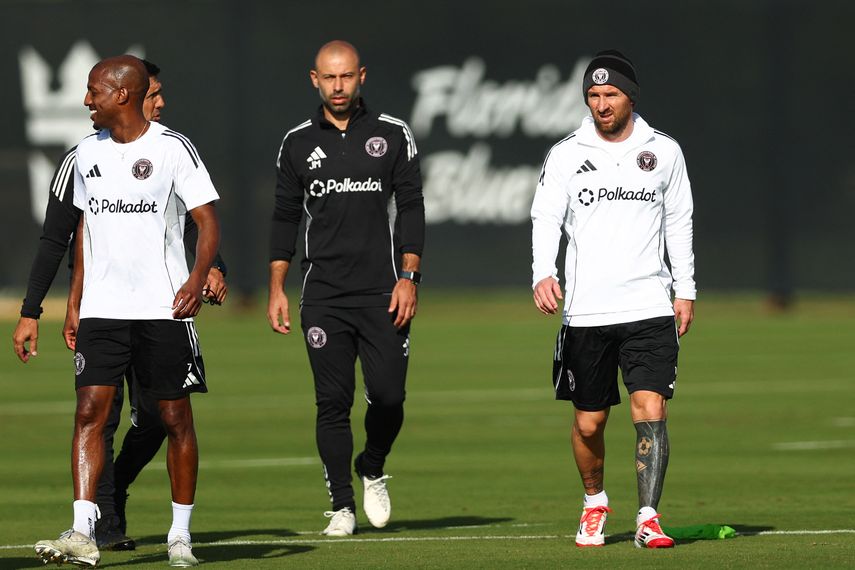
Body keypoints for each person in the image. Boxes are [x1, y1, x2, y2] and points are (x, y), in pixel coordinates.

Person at [12, 60, 228, 552]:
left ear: (122, 95)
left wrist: (198, 277)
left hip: (163, 309)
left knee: (172, 419)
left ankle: (180, 534)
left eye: (94, 92)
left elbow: (207, 221)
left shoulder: (173, 149)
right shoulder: (82, 156)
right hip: (103, 311)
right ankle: (85, 531)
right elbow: (68, 236)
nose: (87, 101)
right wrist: (42, 308)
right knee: (90, 411)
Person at [530, 50, 696, 549]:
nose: (602, 104)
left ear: (631, 96)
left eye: (611, 94)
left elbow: (679, 221)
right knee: (589, 421)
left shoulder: (663, 150)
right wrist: (543, 272)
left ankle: (648, 518)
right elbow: (545, 217)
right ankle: (595, 502)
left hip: (648, 305)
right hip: (587, 311)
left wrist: (684, 288)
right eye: (594, 95)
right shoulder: (565, 153)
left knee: (650, 408)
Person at [268, 40, 425, 536]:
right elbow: (284, 218)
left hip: (382, 291)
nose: (338, 86)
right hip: (323, 295)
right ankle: (341, 505)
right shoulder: (295, 142)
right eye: (328, 78)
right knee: (332, 403)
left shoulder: (392, 134)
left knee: (389, 396)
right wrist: (276, 287)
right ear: (314, 80)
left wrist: (409, 277)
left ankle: (372, 465)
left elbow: (413, 207)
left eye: (346, 77)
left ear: (362, 76)